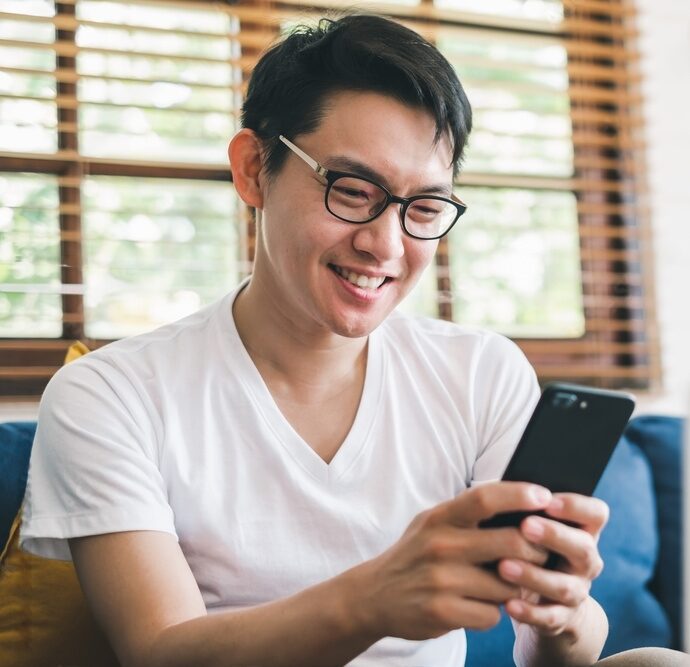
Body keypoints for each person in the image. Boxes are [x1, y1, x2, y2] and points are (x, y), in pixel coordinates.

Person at [19, 13, 687, 667]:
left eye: (424, 208)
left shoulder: (480, 371)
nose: (386, 245)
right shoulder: (111, 393)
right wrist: (373, 599)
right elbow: (160, 650)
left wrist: (562, 618)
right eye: (354, 189)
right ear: (254, 168)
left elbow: (547, 655)